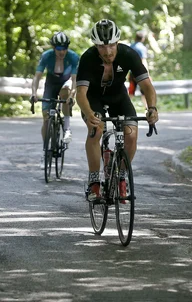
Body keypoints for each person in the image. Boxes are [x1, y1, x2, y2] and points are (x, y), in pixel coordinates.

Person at [76, 19, 159, 201]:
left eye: (112, 45)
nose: (108, 51)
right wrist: (90, 114)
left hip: (118, 96)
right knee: (96, 130)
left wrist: (152, 108)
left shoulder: (129, 54)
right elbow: (81, 93)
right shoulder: (88, 58)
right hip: (93, 98)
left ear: (117, 42)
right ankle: (94, 181)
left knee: (131, 134)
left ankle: (121, 175)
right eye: (102, 47)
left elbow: (147, 85)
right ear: (96, 46)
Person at [31, 32, 79, 144]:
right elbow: (37, 77)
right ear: (53, 48)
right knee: (46, 118)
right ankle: (45, 149)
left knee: (65, 93)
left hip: (66, 81)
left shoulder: (73, 57)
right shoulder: (47, 56)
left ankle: (67, 128)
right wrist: (34, 93)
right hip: (51, 83)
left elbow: (74, 80)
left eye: (65, 48)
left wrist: (72, 95)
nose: (62, 51)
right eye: (59, 48)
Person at [128, 30, 149, 109]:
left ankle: (126, 106)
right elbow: (143, 61)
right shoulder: (142, 48)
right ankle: (147, 107)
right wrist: (147, 74)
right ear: (142, 38)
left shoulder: (131, 46)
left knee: (131, 90)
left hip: (131, 72)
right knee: (144, 90)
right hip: (140, 72)